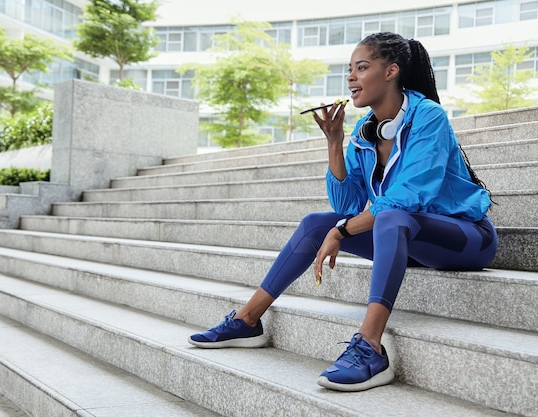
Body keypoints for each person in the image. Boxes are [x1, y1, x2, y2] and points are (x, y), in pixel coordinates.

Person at [188, 32, 498, 392]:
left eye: (361, 68)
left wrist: (342, 232)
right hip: (410, 241)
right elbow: (346, 206)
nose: (351, 77)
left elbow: (407, 197)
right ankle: (247, 319)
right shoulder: (364, 134)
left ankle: (369, 348)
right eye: (349, 70)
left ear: (391, 71)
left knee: (389, 217)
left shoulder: (428, 117)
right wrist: (335, 143)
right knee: (316, 223)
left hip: (465, 238)